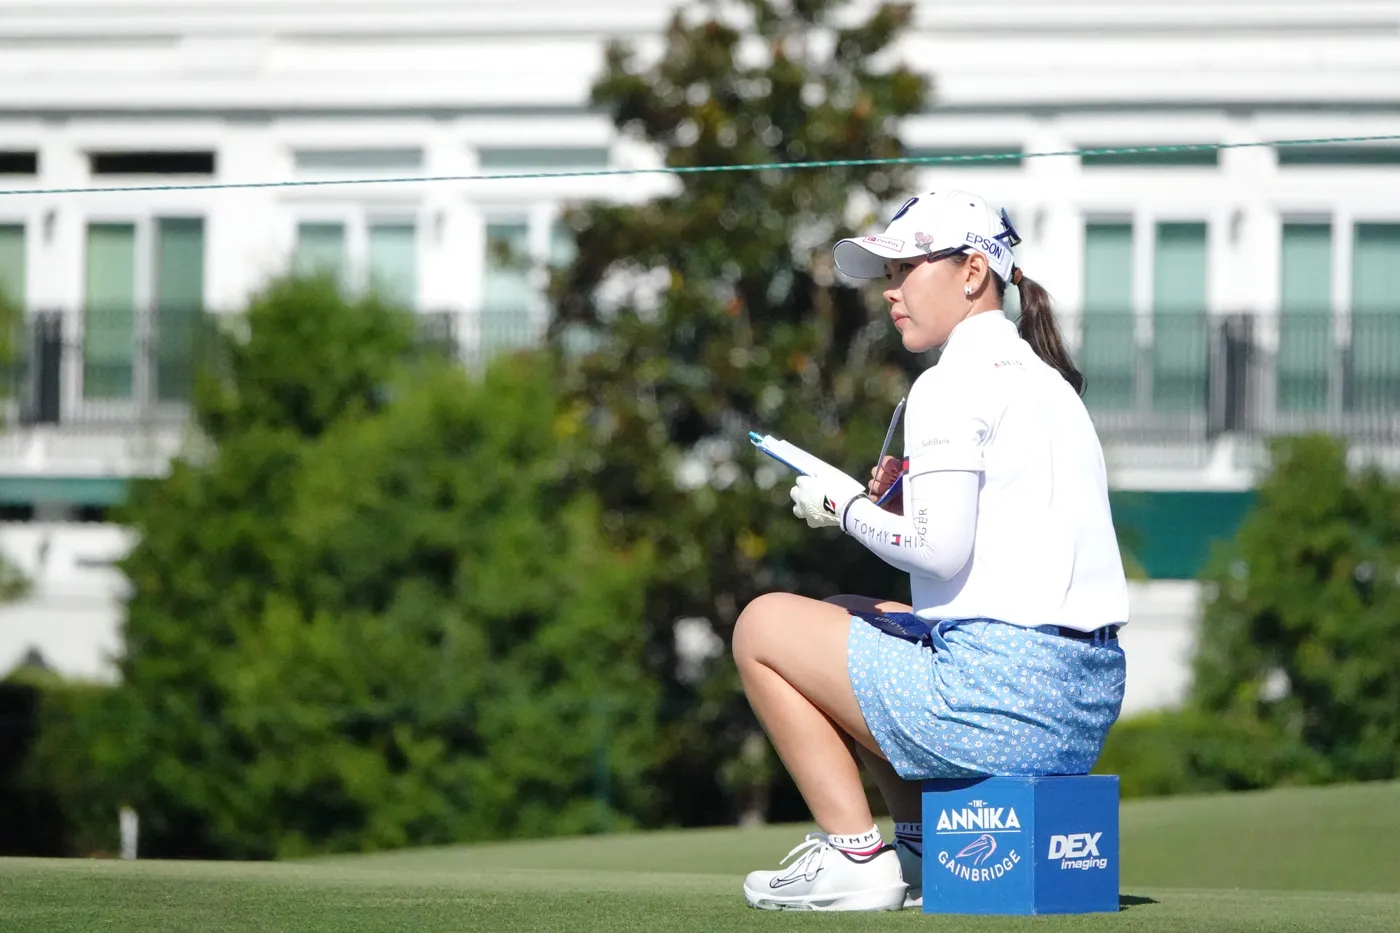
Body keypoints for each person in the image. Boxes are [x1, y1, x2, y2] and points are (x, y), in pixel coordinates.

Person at [733, 189, 1130, 911]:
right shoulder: (1051, 384)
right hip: (1082, 706)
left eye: (907, 269)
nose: (891, 291)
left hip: (999, 704)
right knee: (857, 612)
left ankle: (856, 856)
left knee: (761, 625)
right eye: (889, 274)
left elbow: (937, 554)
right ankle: (923, 846)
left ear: (973, 271)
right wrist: (886, 507)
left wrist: (844, 507)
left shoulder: (950, 384)